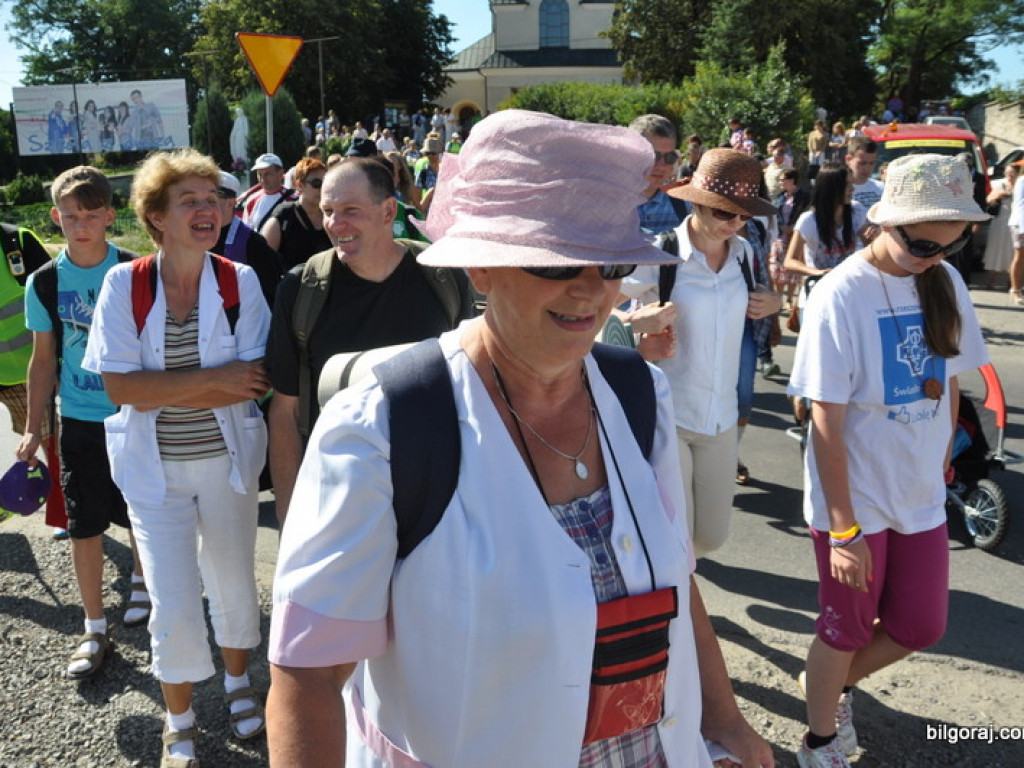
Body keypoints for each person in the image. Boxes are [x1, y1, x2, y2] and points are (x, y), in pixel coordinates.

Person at [266, 108, 774, 768]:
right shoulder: (382, 426)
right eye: (556, 263)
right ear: (480, 268)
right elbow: (307, 675)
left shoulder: (639, 393)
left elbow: (677, 582)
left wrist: (726, 719)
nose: (592, 289)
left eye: (612, 262)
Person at [787, 153, 989, 768]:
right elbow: (825, 419)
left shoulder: (944, 280)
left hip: (919, 492)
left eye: (950, 245)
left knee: (921, 626)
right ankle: (820, 740)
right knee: (845, 630)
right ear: (885, 223)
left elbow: (950, 379)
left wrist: (945, 454)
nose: (935, 257)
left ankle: (830, 685)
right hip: (857, 499)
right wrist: (844, 530)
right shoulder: (839, 293)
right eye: (923, 244)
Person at [83, 149, 271, 766]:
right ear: (156, 217)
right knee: (173, 599)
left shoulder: (239, 282)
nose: (207, 209)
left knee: (235, 587)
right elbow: (120, 389)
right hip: (154, 474)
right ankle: (179, 717)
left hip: (227, 466)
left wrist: (160, 387)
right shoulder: (125, 284)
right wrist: (213, 379)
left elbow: (253, 382)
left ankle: (239, 683)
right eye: (188, 200)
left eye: (213, 198)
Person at [266, 158, 475, 527]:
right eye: (327, 211)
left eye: (350, 210)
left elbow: (473, 389)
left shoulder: (444, 277)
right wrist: (290, 518)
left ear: (388, 211)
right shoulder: (301, 289)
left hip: (435, 497)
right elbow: (285, 413)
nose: (334, 224)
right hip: (339, 497)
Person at [17, 167, 149, 680]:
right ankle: (94, 626)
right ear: (55, 217)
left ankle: (143, 583)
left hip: (135, 415)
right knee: (82, 522)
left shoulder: (136, 270)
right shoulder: (44, 281)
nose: (81, 225)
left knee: (140, 509)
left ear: (110, 216)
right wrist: (33, 427)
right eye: (71, 216)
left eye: (92, 215)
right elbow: (42, 360)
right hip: (77, 419)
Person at [620, 149, 782, 556]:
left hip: (723, 416)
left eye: (743, 215)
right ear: (697, 203)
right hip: (669, 415)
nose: (735, 223)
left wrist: (775, 303)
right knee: (680, 537)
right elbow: (597, 307)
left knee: (711, 537)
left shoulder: (744, 254)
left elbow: (760, 296)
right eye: (724, 212)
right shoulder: (661, 253)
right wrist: (634, 324)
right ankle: (682, 594)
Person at [210, 171, 283, 307]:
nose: (206, 206)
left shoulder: (252, 242)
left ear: (230, 203)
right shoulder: (198, 236)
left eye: (212, 200)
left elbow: (269, 292)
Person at [261, 158, 331, 271]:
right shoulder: (283, 216)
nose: (322, 189)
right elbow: (264, 262)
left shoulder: (331, 214)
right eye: (317, 184)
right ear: (300, 185)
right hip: (291, 281)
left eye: (326, 183)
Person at [239, 153, 298, 232]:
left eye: (267, 174)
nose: (263, 179)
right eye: (260, 174)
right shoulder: (251, 200)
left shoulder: (294, 199)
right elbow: (246, 232)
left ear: (281, 174)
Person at [982, 162, 1017, 290]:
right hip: (999, 222)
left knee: (1012, 251)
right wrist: (998, 195)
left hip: (1015, 223)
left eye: (1012, 173)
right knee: (995, 250)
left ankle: (1011, 282)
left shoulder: (1020, 185)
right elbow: (987, 200)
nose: (1009, 175)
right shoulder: (998, 184)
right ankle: (991, 280)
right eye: (1007, 172)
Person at [1007, 160, 1024, 306]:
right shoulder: (1022, 180)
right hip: (1020, 223)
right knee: (1020, 255)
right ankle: (1015, 289)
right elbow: (1021, 205)